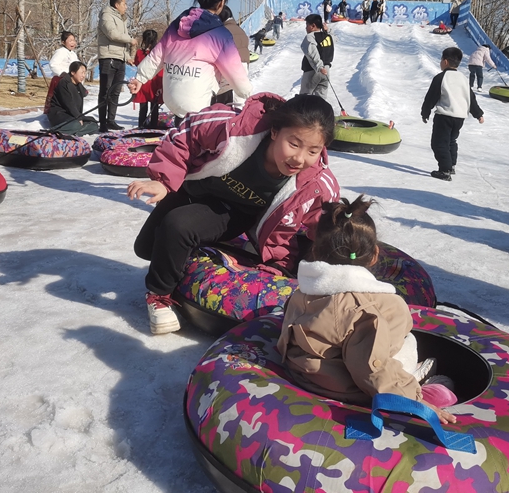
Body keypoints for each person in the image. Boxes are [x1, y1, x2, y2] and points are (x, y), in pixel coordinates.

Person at [126, 93, 340, 335]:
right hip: (193, 190)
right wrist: (162, 181)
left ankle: (159, 296)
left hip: (235, 211)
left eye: (313, 150)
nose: (300, 158)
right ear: (275, 131)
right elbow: (186, 134)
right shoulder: (235, 129)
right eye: (294, 143)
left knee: (178, 226)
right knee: (146, 249)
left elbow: (325, 228)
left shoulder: (315, 183)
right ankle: (193, 252)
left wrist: (338, 258)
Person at [276, 195, 459, 423]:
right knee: (409, 341)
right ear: (374, 256)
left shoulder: (305, 289)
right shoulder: (371, 308)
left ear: (315, 251)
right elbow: (371, 364)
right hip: (346, 387)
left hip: (303, 371)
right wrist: (412, 401)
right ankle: (415, 381)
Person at [128, 0, 251, 124]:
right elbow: (237, 74)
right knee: (197, 142)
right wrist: (246, 93)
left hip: (172, 99)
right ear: (222, 3)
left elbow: (156, 56)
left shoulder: (177, 24)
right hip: (197, 105)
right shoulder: (220, 35)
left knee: (181, 134)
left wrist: (140, 78)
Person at [421, 47, 484, 181]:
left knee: (439, 143)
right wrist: (478, 114)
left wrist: (425, 112)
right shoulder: (463, 78)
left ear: (445, 61)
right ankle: (451, 165)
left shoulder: (441, 77)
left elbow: (431, 96)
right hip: (459, 117)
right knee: (451, 141)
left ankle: (445, 170)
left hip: (444, 116)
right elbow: (470, 97)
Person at [97, 0, 137, 131]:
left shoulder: (122, 19)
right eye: (124, 4)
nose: (126, 6)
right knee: (105, 91)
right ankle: (102, 123)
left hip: (119, 59)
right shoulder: (106, 16)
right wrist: (130, 39)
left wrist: (128, 57)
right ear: (117, 5)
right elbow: (112, 34)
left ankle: (111, 120)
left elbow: (121, 45)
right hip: (108, 58)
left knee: (115, 92)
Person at [46, 61, 99, 136]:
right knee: (76, 124)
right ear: (73, 72)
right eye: (82, 73)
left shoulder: (78, 85)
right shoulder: (64, 83)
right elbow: (69, 104)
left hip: (72, 116)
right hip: (60, 115)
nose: (83, 76)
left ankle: (71, 132)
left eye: (85, 73)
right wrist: (79, 117)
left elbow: (84, 93)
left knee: (94, 125)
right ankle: (56, 132)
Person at [214, 5, 251, 105]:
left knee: (225, 97)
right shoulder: (241, 30)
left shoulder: (222, 31)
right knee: (239, 99)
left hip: (230, 68)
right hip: (243, 67)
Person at [43, 31, 80, 114]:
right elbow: (53, 64)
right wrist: (62, 74)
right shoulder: (60, 52)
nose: (73, 43)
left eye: (74, 40)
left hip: (71, 82)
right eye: (70, 40)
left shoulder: (73, 54)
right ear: (63, 42)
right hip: (61, 80)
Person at [299, 14, 334, 98]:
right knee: (320, 98)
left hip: (313, 70)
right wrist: (328, 30)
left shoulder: (310, 37)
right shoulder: (328, 36)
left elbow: (312, 52)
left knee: (305, 97)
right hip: (326, 70)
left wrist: (319, 66)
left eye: (307, 25)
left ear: (313, 26)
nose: (306, 28)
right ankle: (320, 111)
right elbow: (335, 38)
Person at [134, 29, 162, 129]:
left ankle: (141, 126)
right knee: (154, 108)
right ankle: (153, 127)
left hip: (142, 83)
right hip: (155, 82)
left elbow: (137, 63)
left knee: (143, 108)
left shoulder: (139, 53)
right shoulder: (158, 54)